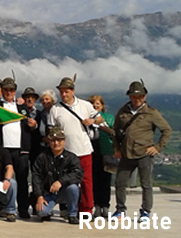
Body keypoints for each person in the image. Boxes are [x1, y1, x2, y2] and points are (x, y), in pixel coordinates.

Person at [112, 80, 172, 222]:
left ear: (144, 97)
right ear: (130, 97)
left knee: (146, 184)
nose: (137, 99)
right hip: (126, 153)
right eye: (134, 96)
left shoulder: (151, 113)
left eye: (140, 96)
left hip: (144, 153)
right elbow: (115, 132)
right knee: (120, 183)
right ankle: (120, 210)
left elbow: (167, 130)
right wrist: (116, 148)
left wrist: (157, 147)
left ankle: (145, 211)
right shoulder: (123, 111)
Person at [48, 76, 102, 215]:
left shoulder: (85, 105)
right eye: (62, 92)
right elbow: (50, 129)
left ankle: (86, 210)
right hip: (64, 152)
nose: (64, 94)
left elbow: (99, 118)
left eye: (67, 91)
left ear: (73, 91)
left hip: (83, 149)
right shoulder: (56, 109)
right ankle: (69, 209)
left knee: (86, 181)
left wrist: (92, 120)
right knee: (65, 181)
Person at [0, 78, 36, 219]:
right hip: (3, 149)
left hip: (21, 150)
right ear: (2, 91)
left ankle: (23, 208)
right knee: (3, 180)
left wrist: (34, 125)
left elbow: (30, 125)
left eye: (11, 90)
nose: (8, 92)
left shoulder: (22, 107)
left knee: (22, 180)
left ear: (15, 91)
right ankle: (3, 207)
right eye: (6, 90)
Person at [31, 126, 83, 224]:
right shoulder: (42, 157)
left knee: (73, 188)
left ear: (64, 141)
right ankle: (47, 212)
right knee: (41, 213)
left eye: (59, 140)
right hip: (48, 193)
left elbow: (78, 173)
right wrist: (39, 196)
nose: (56, 143)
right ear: (49, 141)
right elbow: (36, 176)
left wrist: (61, 181)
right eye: (53, 140)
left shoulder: (71, 157)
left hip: (64, 191)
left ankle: (72, 214)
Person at [87, 95, 115, 218]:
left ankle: (105, 205)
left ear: (102, 106)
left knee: (106, 179)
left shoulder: (109, 118)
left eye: (98, 103)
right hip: (92, 151)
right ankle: (96, 205)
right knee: (94, 179)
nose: (95, 105)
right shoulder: (86, 119)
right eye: (93, 103)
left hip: (106, 151)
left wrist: (102, 126)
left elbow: (114, 132)